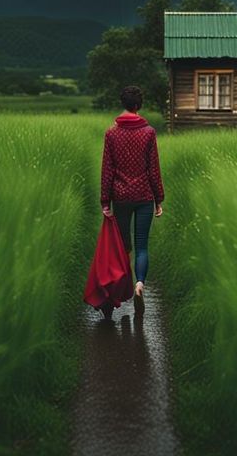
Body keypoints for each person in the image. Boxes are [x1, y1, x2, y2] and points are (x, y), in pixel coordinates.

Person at [98, 84, 165, 321]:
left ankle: (120, 291)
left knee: (122, 247)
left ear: (123, 103)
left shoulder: (111, 133)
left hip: (121, 197)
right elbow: (153, 169)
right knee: (142, 246)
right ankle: (139, 285)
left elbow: (107, 169)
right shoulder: (148, 132)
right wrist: (159, 199)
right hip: (144, 196)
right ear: (139, 105)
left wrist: (105, 200)